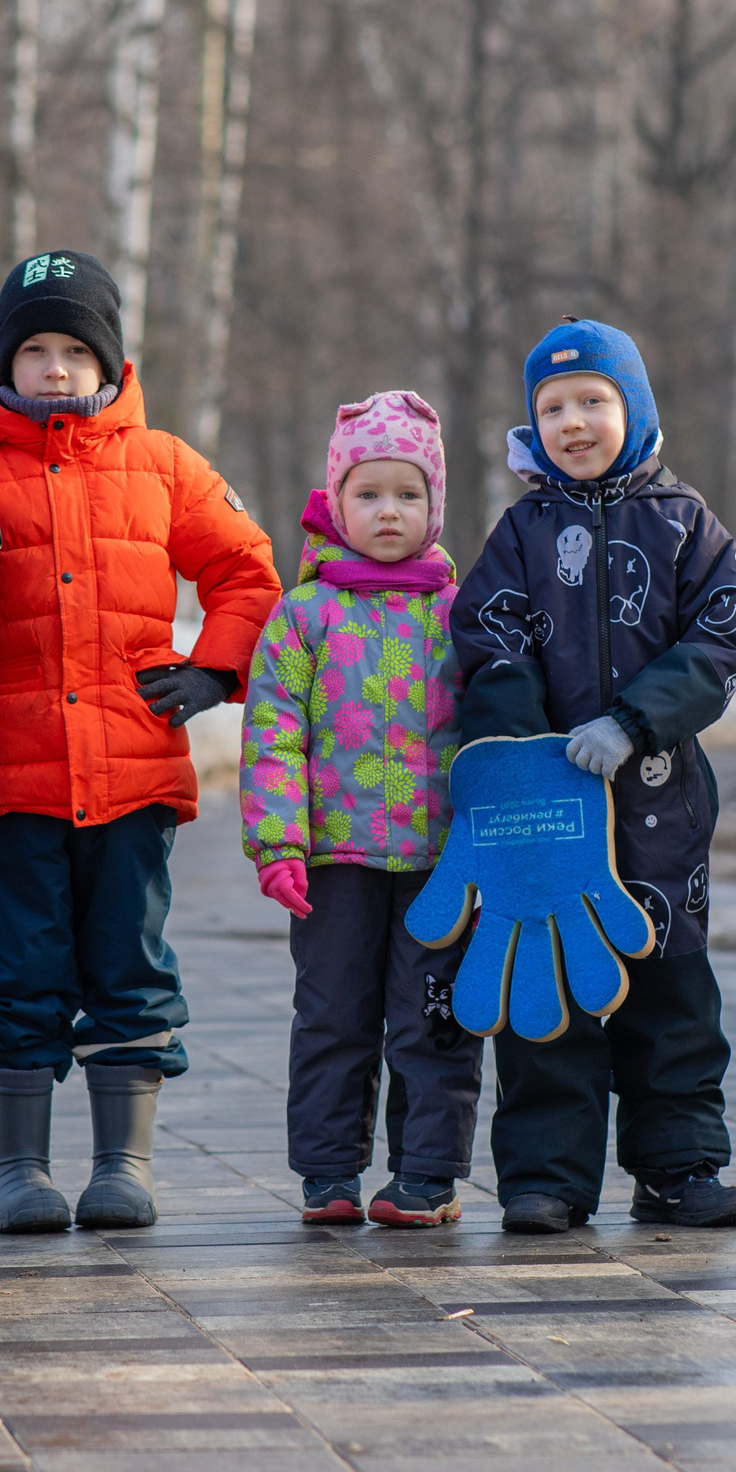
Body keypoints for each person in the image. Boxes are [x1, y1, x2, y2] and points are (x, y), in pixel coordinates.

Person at [0, 249, 281, 1234]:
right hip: (11, 782)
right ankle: (18, 1171)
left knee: (128, 961)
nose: (53, 368)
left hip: (133, 774)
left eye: (74, 350)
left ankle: (121, 1165)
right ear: (3, 362)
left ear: (109, 363)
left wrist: (213, 668)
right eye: (33, 349)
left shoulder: (164, 465)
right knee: (19, 966)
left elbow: (247, 573)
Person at [450, 317, 736, 1234]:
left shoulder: (686, 525)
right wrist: (526, 751)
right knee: (548, 1000)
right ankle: (547, 1176)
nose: (573, 421)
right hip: (550, 820)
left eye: (594, 400)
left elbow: (720, 640)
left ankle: (678, 1167)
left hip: (658, 814)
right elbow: (486, 639)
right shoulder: (518, 532)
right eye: (552, 407)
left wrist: (633, 721)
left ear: (636, 406)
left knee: (671, 1004)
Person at [243, 392, 482, 1227]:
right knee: (334, 1017)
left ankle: (425, 1174)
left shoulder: (459, 614)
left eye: (408, 495)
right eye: (369, 494)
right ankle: (328, 1172)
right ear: (336, 502)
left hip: (438, 862)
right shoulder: (306, 614)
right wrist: (278, 843)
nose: (388, 511)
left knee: (433, 1019)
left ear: (435, 506)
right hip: (335, 862)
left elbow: (491, 728)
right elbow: (274, 734)